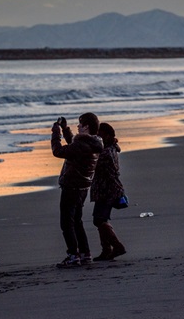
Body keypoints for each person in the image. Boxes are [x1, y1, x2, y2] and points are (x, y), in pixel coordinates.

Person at [51, 112, 104, 268]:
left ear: (86, 126)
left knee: (67, 223)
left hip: (72, 186)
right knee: (77, 221)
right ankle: (85, 253)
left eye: (80, 124)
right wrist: (66, 129)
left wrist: (56, 133)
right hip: (82, 187)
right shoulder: (93, 143)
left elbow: (58, 151)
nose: (78, 126)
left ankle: (73, 255)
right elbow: (73, 146)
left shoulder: (83, 145)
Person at [90, 122, 127, 261]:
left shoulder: (106, 152)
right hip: (108, 188)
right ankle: (107, 249)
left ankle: (116, 246)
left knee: (99, 219)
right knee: (101, 219)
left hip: (107, 189)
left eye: (100, 133)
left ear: (107, 135)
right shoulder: (110, 149)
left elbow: (93, 162)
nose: (98, 136)